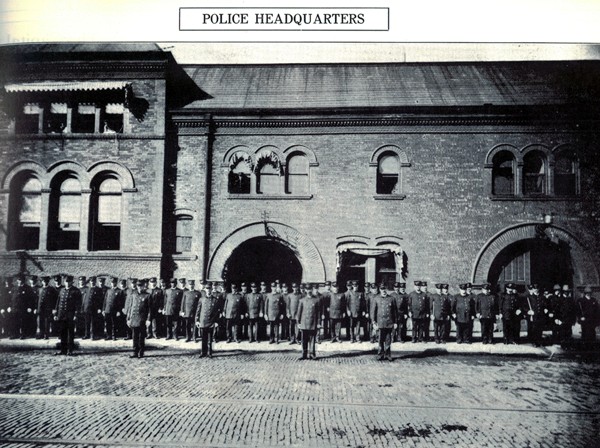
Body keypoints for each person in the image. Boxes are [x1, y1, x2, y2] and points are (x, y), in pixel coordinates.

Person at [53, 275, 82, 356]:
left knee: (70, 333)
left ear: (71, 282)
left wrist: (76, 314)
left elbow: (78, 304)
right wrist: (56, 314)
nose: (67, 283)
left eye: (68, 282)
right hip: (61, 315)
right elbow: (58, 303)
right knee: (62, 333)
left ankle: (70, 350)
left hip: (70, 315)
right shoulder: (62, 290)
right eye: (66, 281)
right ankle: (63, 350)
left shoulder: (76, 291)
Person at [195, 282, 222, 358]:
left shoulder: (215, 300)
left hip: (211, 321)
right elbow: (198, 311)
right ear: (205, 290)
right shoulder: (201, 299)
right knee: (203, 338)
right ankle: (203, 352)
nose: (208, 290)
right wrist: (197, 320)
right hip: (203, 321)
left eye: (209, 289)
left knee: (210, 338)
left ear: (211, 290)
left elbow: (218, 312)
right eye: (207, 289)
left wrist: (216, 322)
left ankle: (209, 352)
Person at [297, 283, 321, 360]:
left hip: (313, 323)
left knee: (312, 339)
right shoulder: (302, 300)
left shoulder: (316, 300)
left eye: (310, 289)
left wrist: (318, 323)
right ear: (305, 290)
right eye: (307, 289)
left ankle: (312, 354)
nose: (309, 291)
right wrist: (298, 323)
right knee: (304, 340)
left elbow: (319, 313)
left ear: (312, 289)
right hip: (304, 323)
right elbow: (299, 313)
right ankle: (304, 354)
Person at [126, 280, 150, 358]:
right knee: (134, 336)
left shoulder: (147, 296)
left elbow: (150, 309)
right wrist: (128, 318)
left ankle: (141, 352)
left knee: (141, 336)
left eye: (141, 286)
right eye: (138, 286)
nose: (139, 288)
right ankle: (135, 352)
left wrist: (148, 319)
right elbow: (130, 307)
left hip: (142, 319)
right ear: (136, 286)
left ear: (144, 286)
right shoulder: (133, 295)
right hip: (134, 318)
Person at [373, 286, 397, 361]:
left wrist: (395, 322)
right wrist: (374, 322)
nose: (383, 291)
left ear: (387, 290)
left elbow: (395, 312)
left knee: (388, 339)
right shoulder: (376, 298)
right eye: (382, 289)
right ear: (380, 290)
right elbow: (373, 311)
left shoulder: (392, 299)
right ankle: (380, 354)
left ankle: (388, 354)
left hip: (389, 322)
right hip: (380, 322)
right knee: (380, 339)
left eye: (385, 289)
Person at [9, 275, 35, 339]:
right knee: (15, 321)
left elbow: (31, 299)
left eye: (20, 280)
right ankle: (15, 334)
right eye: (18, 280)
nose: (19, 281)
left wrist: (29, 307)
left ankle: (23, 334)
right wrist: (10, 306)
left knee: (23, 322)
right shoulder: (14, 288)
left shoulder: (28, 288)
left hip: (23, 308)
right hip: (15, 307)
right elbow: (11, 299)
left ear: (24, 280)